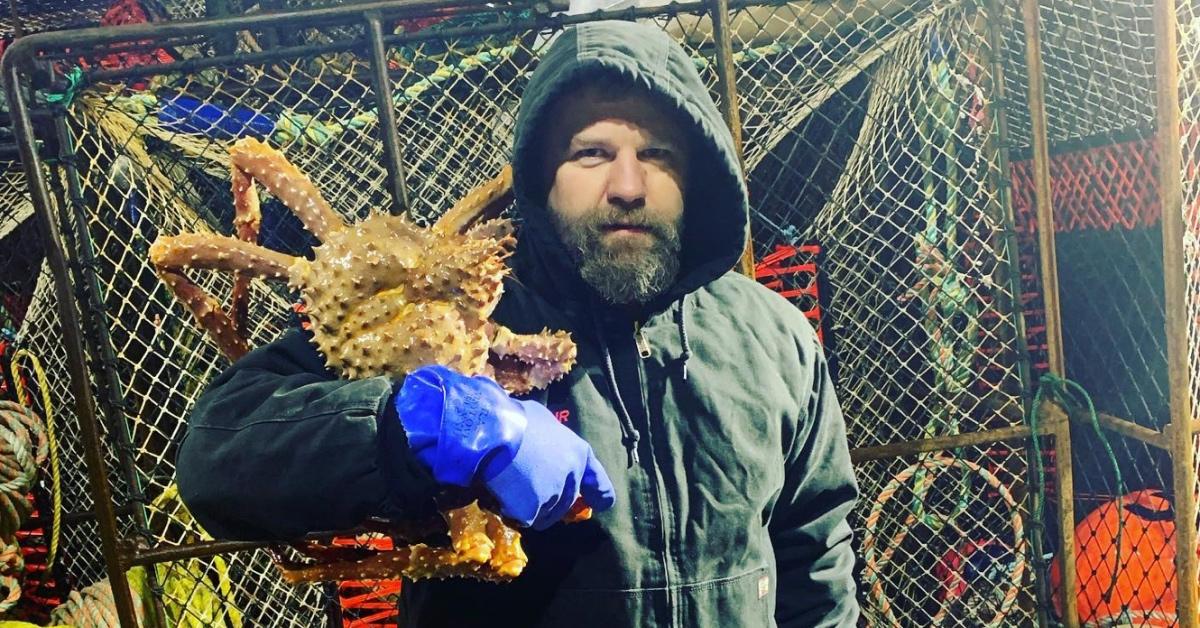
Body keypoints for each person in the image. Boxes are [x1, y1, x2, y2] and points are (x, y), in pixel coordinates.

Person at [176, 19, 859, 627]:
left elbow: (814, 552)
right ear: (540, 176)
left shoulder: (776, 338)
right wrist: (403, 426)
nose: (628, 184)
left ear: (699, 177)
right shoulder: (442, 315)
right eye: (592, 153)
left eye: (658, 154)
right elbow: (218, 456)